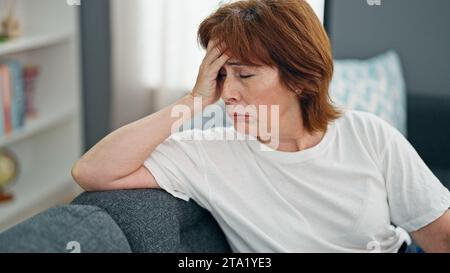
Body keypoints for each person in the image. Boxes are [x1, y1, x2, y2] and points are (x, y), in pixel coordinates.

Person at [71, 0, 450, 252]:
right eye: (220, 76)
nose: (229, 93)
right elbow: (91, 171)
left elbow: (439, 236)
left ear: (301, 79)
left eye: (246, 75)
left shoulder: (368, 134)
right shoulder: (208, 152)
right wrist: (195, 101)